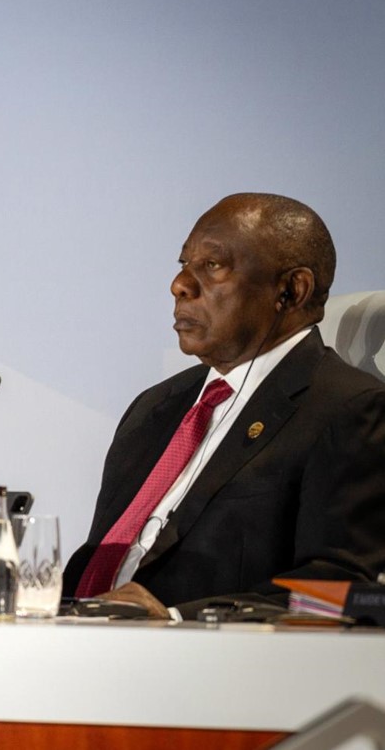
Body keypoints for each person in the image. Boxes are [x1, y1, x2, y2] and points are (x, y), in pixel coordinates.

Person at [62, 193, 385, 618]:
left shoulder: (349, 409)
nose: (180, 284)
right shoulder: (154, 408)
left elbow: (337, 587)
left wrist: (178, 619)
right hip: (76, 636)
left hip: (208, 652)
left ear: (292, 290)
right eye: (184, 264)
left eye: (212, 265)